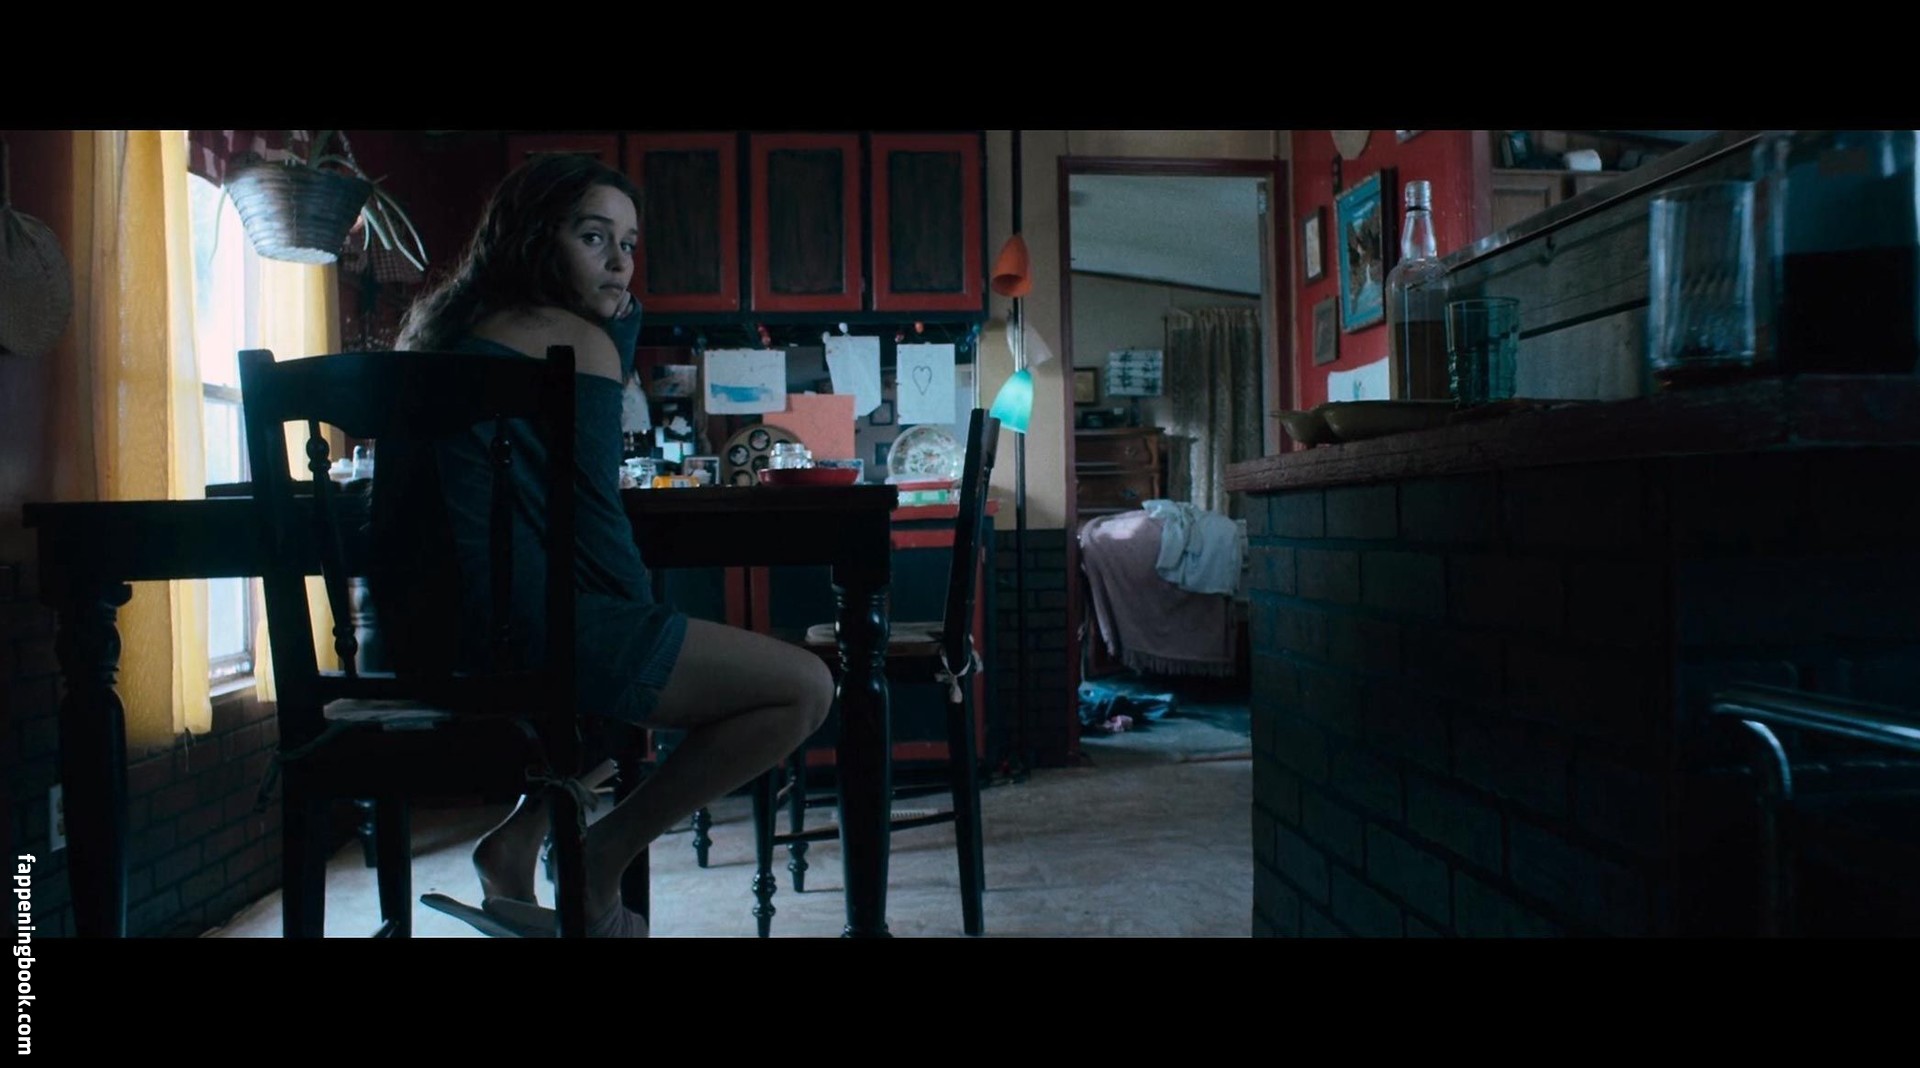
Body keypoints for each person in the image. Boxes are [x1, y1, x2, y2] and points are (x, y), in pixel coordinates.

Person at [382, 153, 833, 938]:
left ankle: (516, 843)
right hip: (537, 637)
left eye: (628, 244)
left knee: (602, 668)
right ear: (533, 237)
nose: (620, 262)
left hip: (422, 643)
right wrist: (643, 624)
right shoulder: (575, 345)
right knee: (805, 687)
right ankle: (603, 855)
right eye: (594, 237)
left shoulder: (439, 340)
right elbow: (594, 522)